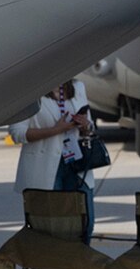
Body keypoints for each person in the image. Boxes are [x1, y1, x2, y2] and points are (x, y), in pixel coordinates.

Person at [10, 80, 97, 236]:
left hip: (76, 164)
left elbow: (90, 127)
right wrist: (55, 130)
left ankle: (79, 259)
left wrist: (86, 126)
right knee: (50, 229)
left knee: (85, 224)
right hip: (44, 167)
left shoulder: (78, 87)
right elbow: (17, 133)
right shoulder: (28, 89)